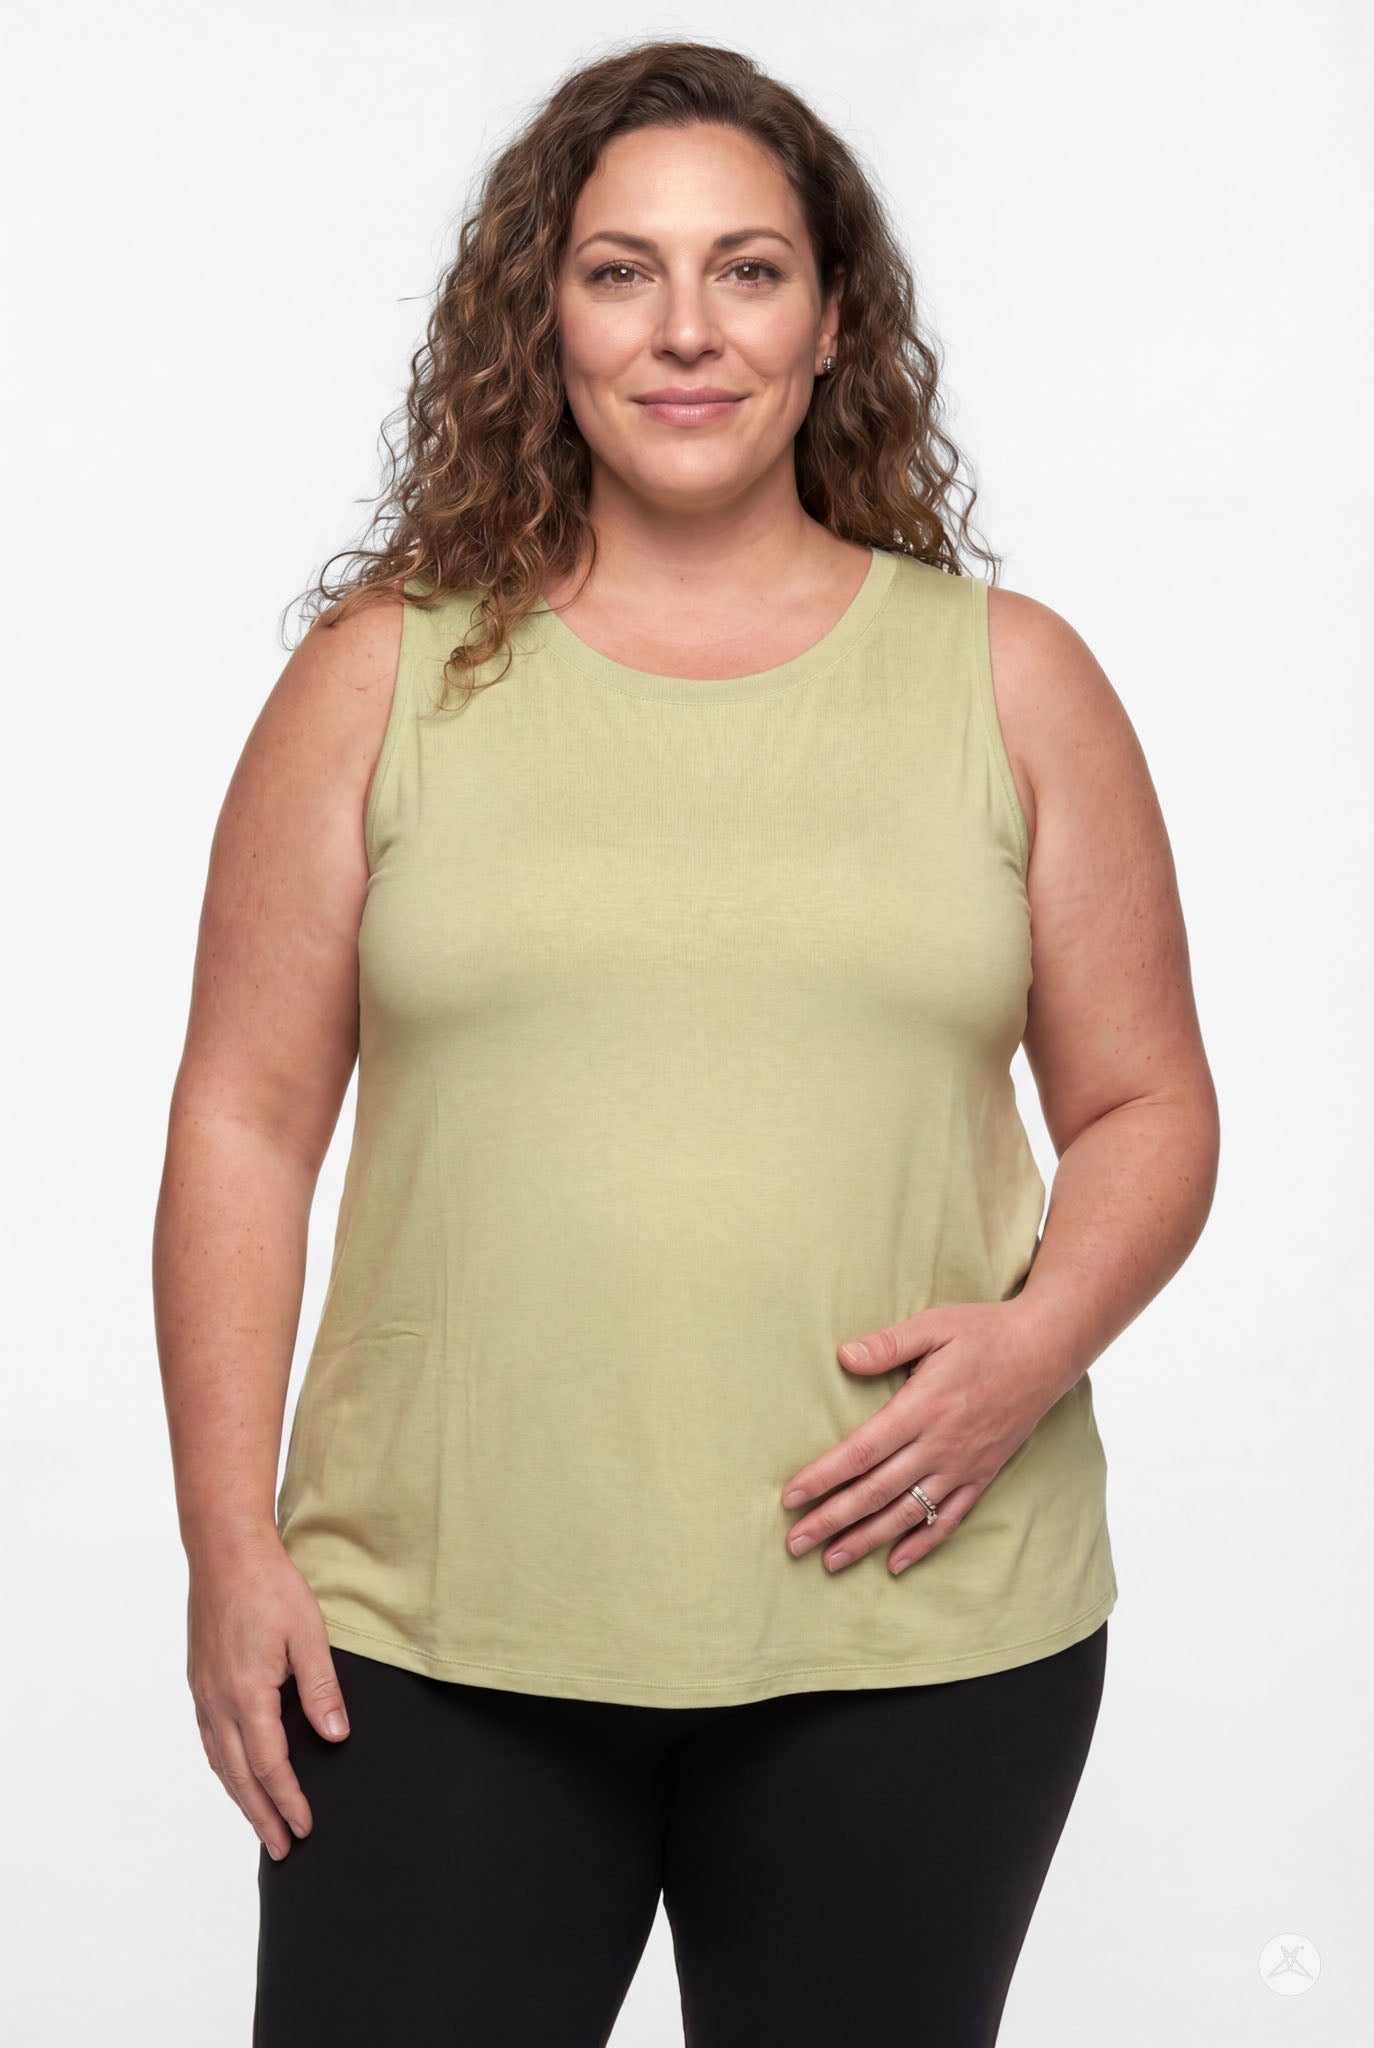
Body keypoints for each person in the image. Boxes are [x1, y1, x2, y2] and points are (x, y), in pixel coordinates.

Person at [153, 36, 1220, 2048]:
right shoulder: (379, 678)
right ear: (538, 319)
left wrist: (1032, 1346)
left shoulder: (1009, 680)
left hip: (919, 1626)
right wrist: (229, 1541)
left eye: (747, 270)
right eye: (620, 271)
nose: (686, 331)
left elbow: (1149, 1101)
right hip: (431, 1630)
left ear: (832, 326)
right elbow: (244, 1114)